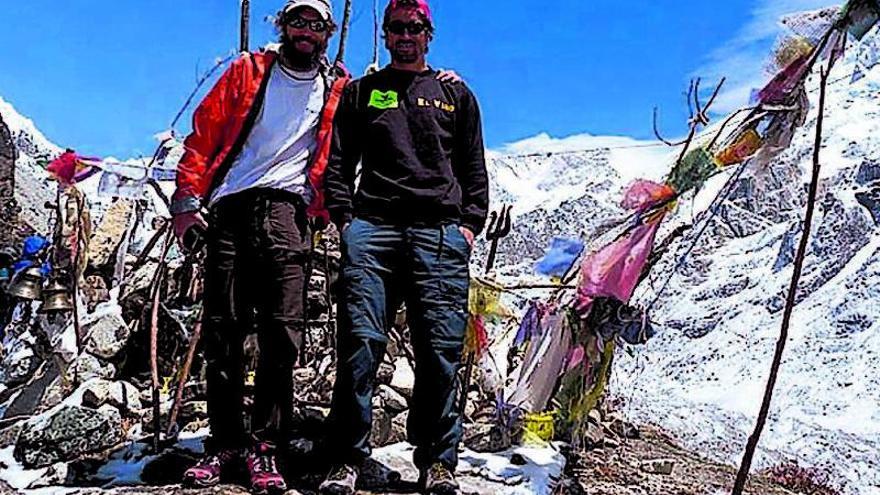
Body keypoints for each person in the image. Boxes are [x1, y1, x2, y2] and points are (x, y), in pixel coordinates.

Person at [170, 1, 348, 493]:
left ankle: (266, 447)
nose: (306, 32)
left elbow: (381, 111)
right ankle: (225, 443)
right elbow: (203, 136)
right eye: (298, 22)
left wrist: (444, 79)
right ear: (283, 26)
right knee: (223, 331)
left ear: (328, 33)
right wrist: (187, 202)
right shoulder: (247, 71)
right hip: (230, 208)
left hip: (289, 214)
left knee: (281, 334)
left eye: (316, 25)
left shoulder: (336, 88)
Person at [319, 0, 489, 493]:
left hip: (439, 233)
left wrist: (469, 225)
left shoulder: (455, 95)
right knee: (360, 343)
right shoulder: (362, 94)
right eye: (396, 27)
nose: (405, 35)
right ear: (387, 35)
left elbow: (473, 167)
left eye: (414, 27)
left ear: (428, 34)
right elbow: (338, 162)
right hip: (373, 229)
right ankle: (346, 457)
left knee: (439, 350)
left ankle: (437, 462)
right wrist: (346, 220)